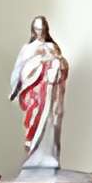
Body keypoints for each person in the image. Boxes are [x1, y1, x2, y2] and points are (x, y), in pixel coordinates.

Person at [10, 16, 69, 174]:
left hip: (51, 92)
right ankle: (32, 150)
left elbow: (63, 67)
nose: (40, 33)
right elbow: (20, 70)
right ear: (33, 30)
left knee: (50, 120)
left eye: (43, 29)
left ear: (46, 29)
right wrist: (41, 62)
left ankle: (49, 155)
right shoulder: (28, 48)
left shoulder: (52, 46)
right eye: (37, 29)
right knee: (35, 114)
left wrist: (57, 64)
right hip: (35, 90)